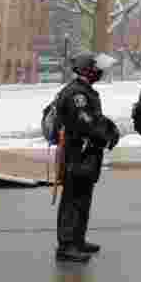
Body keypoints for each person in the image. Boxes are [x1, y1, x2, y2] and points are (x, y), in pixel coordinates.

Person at [55, 52, 120, 263]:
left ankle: (78, 239)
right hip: (77, 154)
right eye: (96, 68)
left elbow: (95, 118)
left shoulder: (85, 91)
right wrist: (104, 134)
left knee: (83, 198)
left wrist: (110, 128)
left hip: (86, 153)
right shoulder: (77, 94)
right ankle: (66, 245)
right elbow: (85, 122)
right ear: (87, 70)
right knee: (72, 199)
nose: (99, 72)